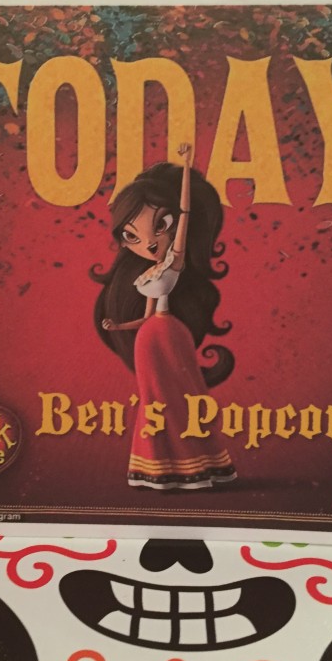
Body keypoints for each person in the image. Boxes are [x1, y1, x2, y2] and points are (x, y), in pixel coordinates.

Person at [92, 144, 236, 489]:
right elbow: (145, 318)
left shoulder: (175, 260)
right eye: (132, 236)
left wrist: (186, 164)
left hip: (172, 334)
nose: (148, 242)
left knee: (185, 396)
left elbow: (185, 212)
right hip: (149, 339)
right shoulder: (145, 275)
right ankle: (159, 465)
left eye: (161, 226)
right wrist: (117, 326)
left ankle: (197, 464)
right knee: (154, 401)